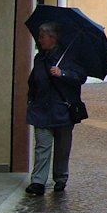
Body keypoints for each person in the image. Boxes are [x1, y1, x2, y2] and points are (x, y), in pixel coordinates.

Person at [25, 22, 87, 195]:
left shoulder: (70, 57)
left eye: (42, 36)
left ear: (52, 38)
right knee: (42, 146)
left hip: (63, 110)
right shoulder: (40, 58)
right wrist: (31, 99)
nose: (39, 40)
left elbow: (81, 77)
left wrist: (63, 74)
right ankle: (38, 182)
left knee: (62, 147)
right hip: (41, 110)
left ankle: (60, 178)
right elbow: (33, 80)